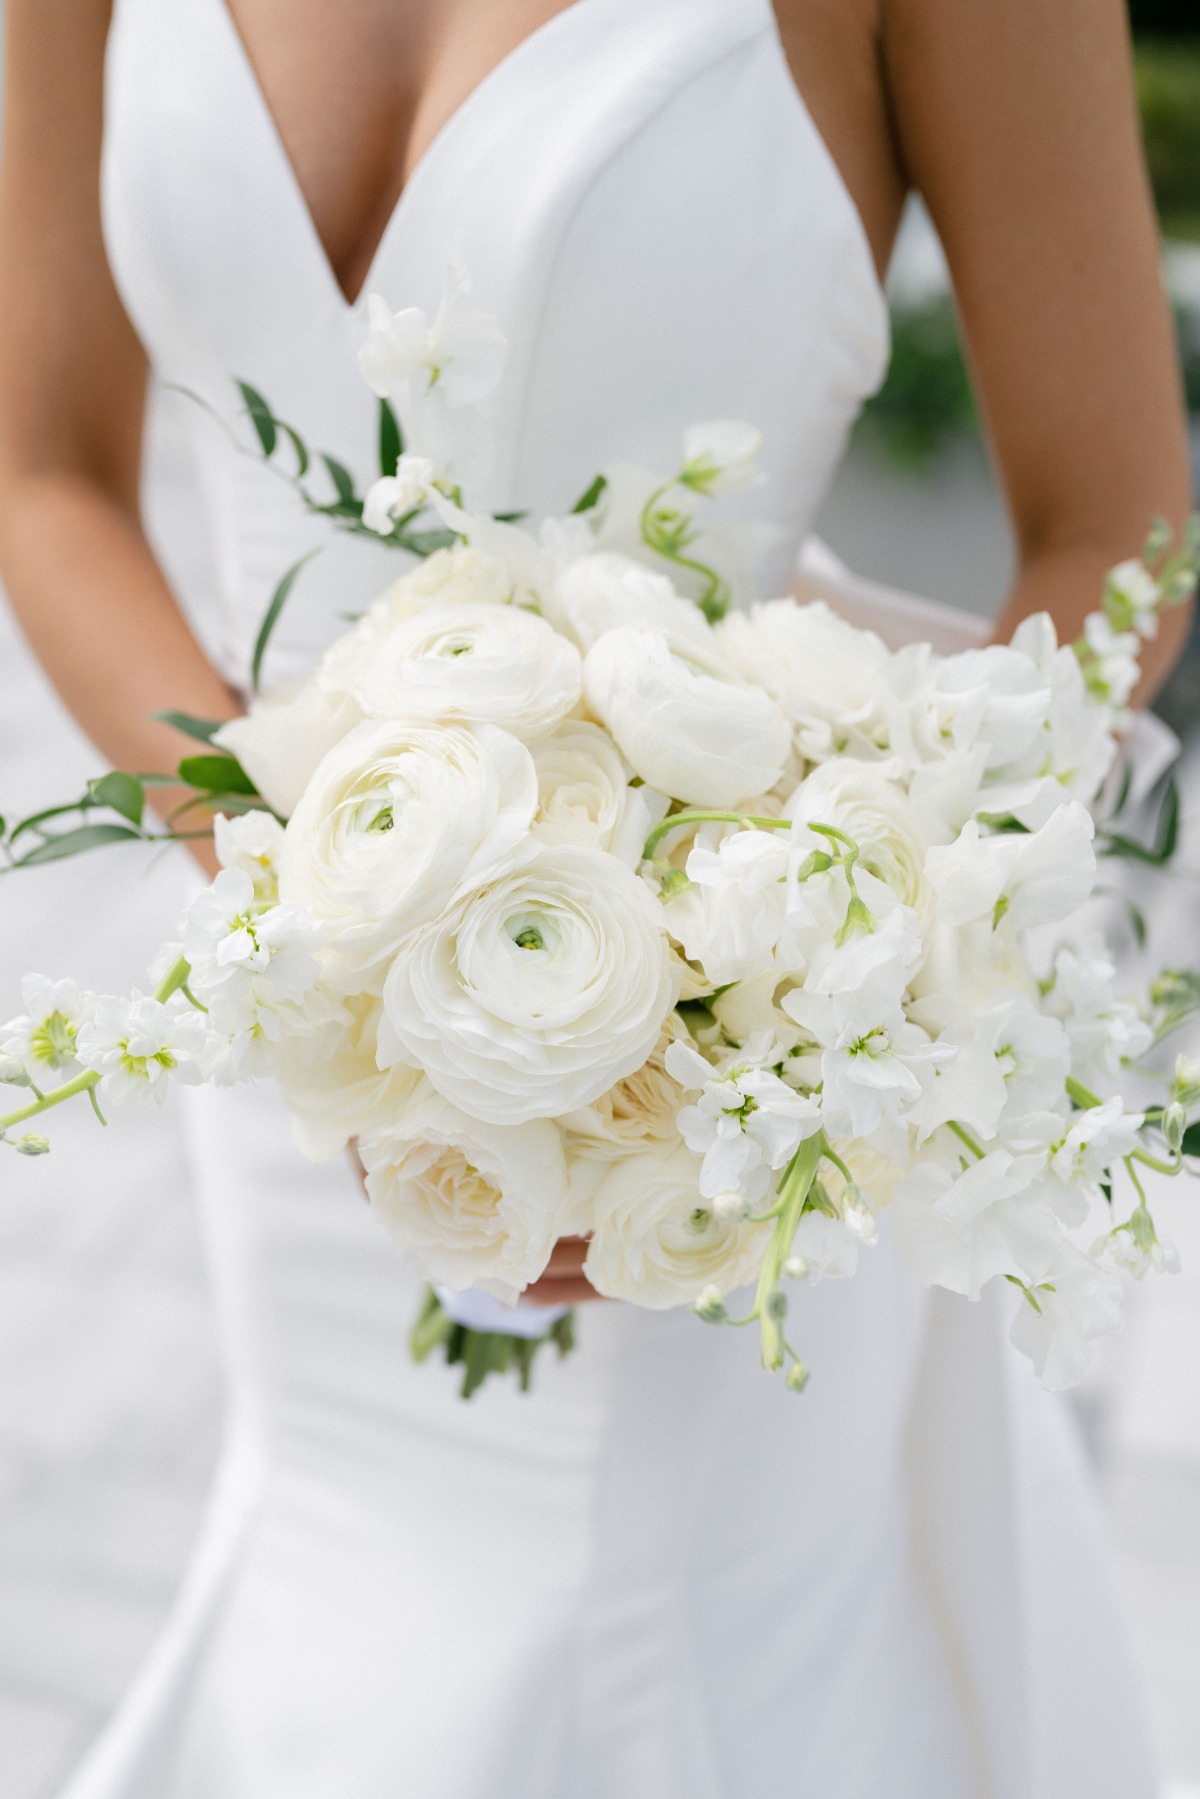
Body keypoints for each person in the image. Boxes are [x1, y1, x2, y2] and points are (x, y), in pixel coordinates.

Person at [0, 1, 1192, 1794]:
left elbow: (1119, 527)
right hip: (306, 1049)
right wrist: (305, 906)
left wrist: (769, 1004)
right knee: (344, 1605)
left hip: (713, 1107)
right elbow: (44, 471)